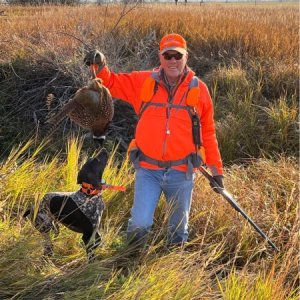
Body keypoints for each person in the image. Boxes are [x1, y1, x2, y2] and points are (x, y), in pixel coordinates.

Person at [84, 33, 224, 247]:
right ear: (160, 58)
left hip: (182, 172)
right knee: (139, 224)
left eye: (177, 55)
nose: (173, 61)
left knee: (178, 231)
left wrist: (217, 172)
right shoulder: (143, 82)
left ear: (186, 57)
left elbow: (208, 133)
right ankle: (130, 262)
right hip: (148, 170)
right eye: (167, 56)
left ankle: (174, 269)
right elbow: (110, 82)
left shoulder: (199, 89)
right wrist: (99, 65)